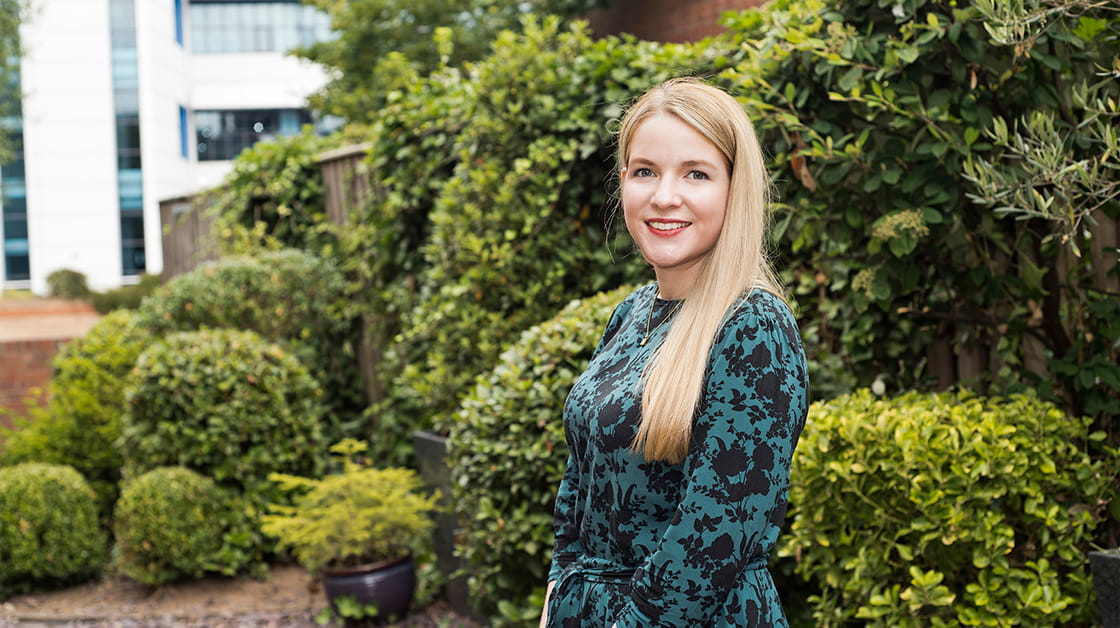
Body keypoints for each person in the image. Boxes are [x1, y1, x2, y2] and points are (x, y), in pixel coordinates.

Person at [539, 77, 810, 628]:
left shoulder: (753, 327)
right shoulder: (632, 313)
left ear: (735, 190)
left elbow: (708, 550)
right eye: (646, 171)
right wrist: (556, 594)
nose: (665, 195)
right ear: (623, 184)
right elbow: (581, 482)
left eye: (696, 174)